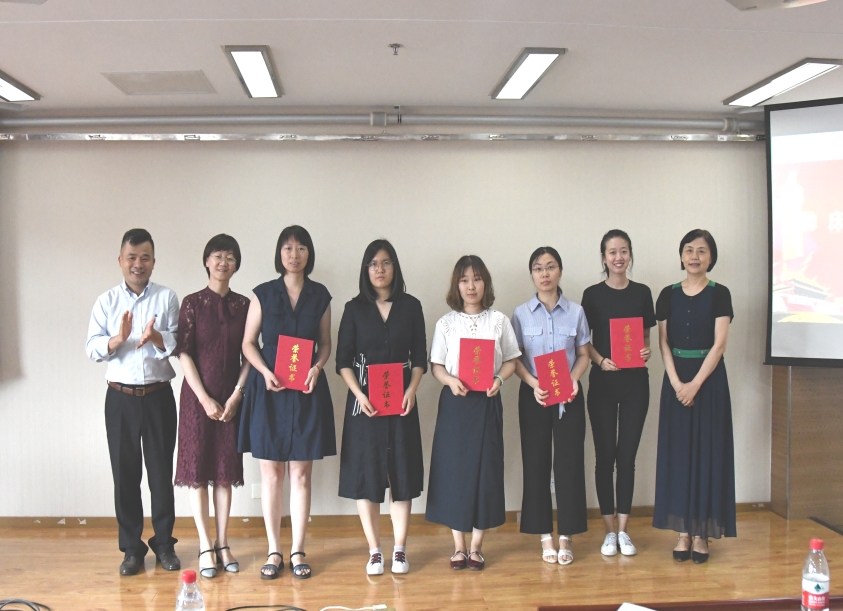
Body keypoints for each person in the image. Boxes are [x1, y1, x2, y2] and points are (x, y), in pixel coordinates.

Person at [239, 225, 336, 580]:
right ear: (279, 254)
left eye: (301, 248)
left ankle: (297, 550)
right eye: (288, 248)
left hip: (307, 391)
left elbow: (325, 344)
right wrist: (264, 371)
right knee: (271, 474)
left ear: (310, 253)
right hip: (270, 391)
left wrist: (317, 367)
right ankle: (273, 550)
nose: (294, 255)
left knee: (301, 473)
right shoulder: (263, 294)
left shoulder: (320, 295)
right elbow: (248, 342)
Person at [85, 228, 181, 576]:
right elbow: (91, 347)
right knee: (125, 476)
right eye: (132, 257)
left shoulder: (167, 298)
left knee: (160, 475)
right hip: (120, 398)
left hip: (158, 397)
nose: (138, 264)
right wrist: (117, 339)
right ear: (121, 260)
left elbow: (178, 342)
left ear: (153, 262)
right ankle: (131, 550)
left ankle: (165, 544)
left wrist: (156, 337)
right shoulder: (107, 301)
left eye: (145, 258)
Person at [336, 239, 427, 575]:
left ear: (395, 267)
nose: (379, 269)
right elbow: (343, 361)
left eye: (386, 262)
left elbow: (420, 357)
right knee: (367, 474)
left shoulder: (411, 306)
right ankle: (375, 550)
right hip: (366, 406)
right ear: (366, 269)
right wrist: (358, 394)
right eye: (373, 263)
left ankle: (399, 549)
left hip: (401, 401)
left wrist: (412, 389)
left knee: (401, 471)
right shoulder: (354, 308)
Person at [425, 255, 520, 571]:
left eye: (477, 279)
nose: (471, 286)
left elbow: (511, 360)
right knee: (455, 473)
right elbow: (437, 365)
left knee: (486, 471)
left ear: (485, 283)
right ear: (456, 285)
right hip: (456, 404)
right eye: (464, 280)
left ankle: (477, 547)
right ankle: (459, 546)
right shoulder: (446, 323)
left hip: (487, 402)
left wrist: (499, 379)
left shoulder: (499, 321)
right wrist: (449, 380)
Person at [652, 229, 736, 564]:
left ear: (711, 257)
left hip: (709, 383)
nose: (694, 256)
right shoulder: (667, 295)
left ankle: (702, 534)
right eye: (689, 250)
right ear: (681, 255)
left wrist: (695, 384)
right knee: (679, 455)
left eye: (702, 251)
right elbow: (663, 343)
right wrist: (677, 383)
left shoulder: (720, 294)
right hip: (675, 382)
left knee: (708, 453)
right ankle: (683, 533)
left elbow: (720, 344)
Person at [174, 234, 250, 578]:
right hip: (196, 400)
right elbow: (184, 352)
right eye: (218, 256)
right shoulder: (192, 303)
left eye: (230, 257)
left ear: (236, 265)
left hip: (231, 400)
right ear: (207, 261)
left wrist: (237, 395)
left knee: (224, 473)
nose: (223, 262)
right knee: (198, 475)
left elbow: (251, 353)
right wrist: (204, 398)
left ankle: (223, 543)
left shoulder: (244, 305)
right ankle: (205, 545)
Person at [512, 247, 591, 566]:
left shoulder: (576, 312)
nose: (544, 273)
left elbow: (584, 354)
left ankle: (567, 534)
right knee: (536, 462)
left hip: (569, 395)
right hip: (535, 396)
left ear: (560, 271)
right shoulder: (520, 313)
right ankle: (545, 534)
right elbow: (515, 358)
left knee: (570, 464)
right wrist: (534, 383)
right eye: (538, 268)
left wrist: (573, 380)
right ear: (532, 274)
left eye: (550, 267)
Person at [581, 230, 655, 557]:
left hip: (636, 383)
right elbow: (583, 341)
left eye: (623, 251)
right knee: (605, 457)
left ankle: (624, 530)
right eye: (612, 252)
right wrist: (600, 360)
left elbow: (645, 336)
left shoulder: (642, 292)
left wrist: (646, 351)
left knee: (627, 457)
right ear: (604, 258)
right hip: (603, 383)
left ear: (630, 255)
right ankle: (608, 531)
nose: (618, 257)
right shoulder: (592, 295)